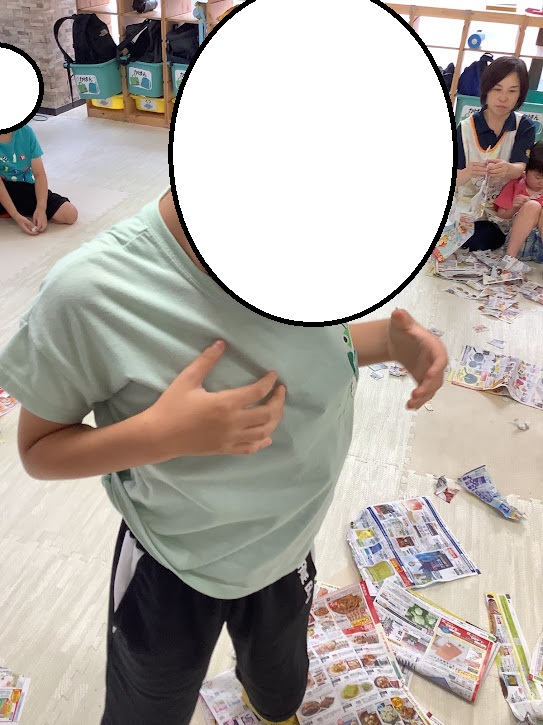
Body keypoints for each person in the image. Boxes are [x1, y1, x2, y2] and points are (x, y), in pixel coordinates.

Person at [0, 189, 447, 725]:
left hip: (287, 549)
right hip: (172, 560)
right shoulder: (90, 292)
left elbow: (308, 344)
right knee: (149, 706)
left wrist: (389, 343)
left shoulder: (308, 252)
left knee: (280, 688)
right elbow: (39, 450)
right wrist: (161, 436)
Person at [456, 56, 535, 251]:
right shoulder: (465, 128)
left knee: (488, 236)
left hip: (502, 211)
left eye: (512, 91)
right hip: (465, 208)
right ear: (486, 89)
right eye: (497, 89)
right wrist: (468, 172)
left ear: (521, 94)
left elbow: (520, 167)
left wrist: (507, 169)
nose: (503, 98)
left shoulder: (523, 126)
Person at [0, 123, 78, 236]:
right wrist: (16, 215)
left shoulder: (25, 132)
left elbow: (39, 174)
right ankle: (8, 210)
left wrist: (41, 208)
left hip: (23, 188)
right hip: (2, 189)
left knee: (70, 214)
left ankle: (10, 210)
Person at [494, 140, 543, 261]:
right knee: (532, 206)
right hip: (519, 245)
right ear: (525, 172)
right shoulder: (515, 185)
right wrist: (514, 208)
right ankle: (509, 259)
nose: (541, 182)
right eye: (538, 177)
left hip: (540, 248)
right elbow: (501, 216)